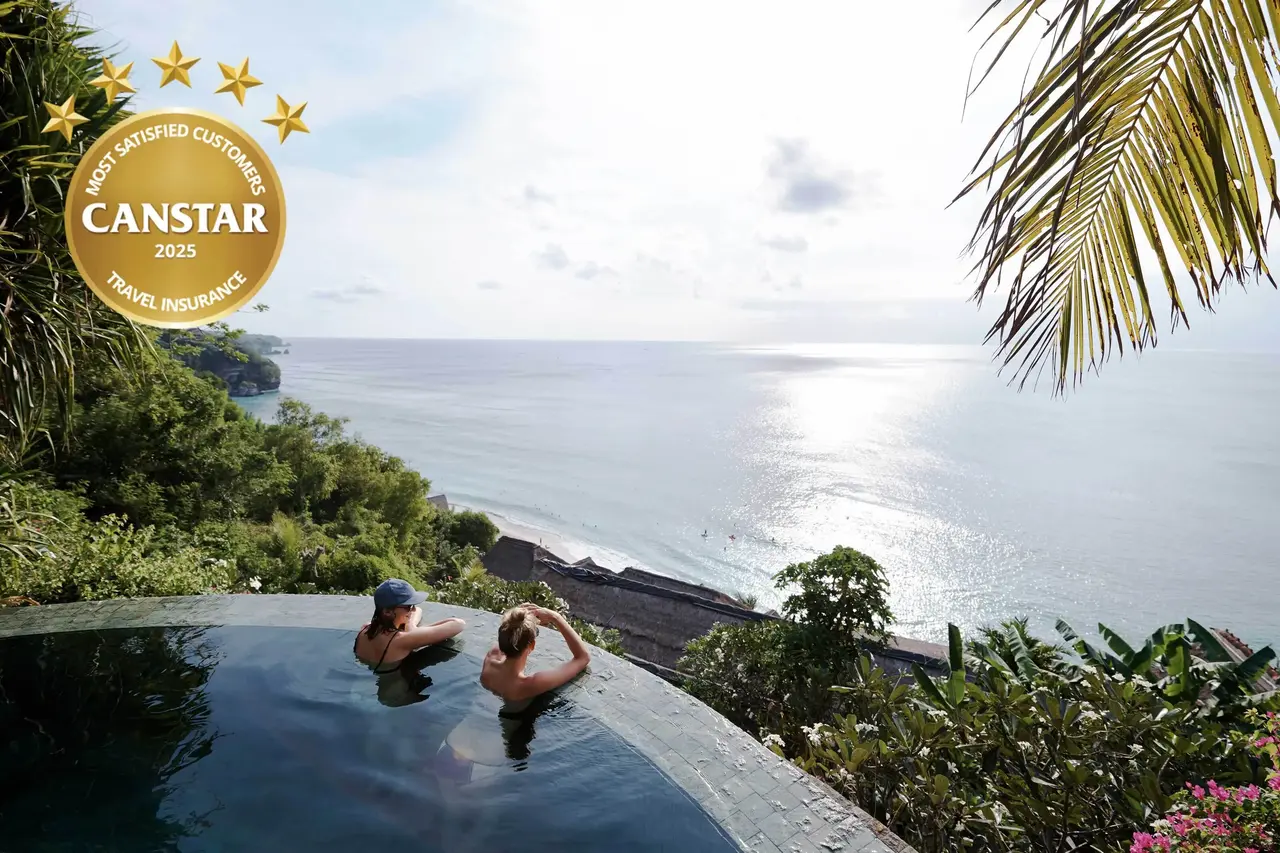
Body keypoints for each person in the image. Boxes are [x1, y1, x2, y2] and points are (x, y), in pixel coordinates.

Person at [479, 603, 590, 704]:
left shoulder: (490, 660)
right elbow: (583, 657)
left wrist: (516, 616)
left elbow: (508, 635)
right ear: (532, 645)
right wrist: (556, 617)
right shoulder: (528, 685)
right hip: (514, 723)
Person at [354, 578, 466, 673]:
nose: (412, 610)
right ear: (387, 612)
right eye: (408, 607)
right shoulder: (402, 640)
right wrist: (411, 627)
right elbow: (458, 624)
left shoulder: (364, 629)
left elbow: (417, 610)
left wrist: (409, 623)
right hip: (398, 693)